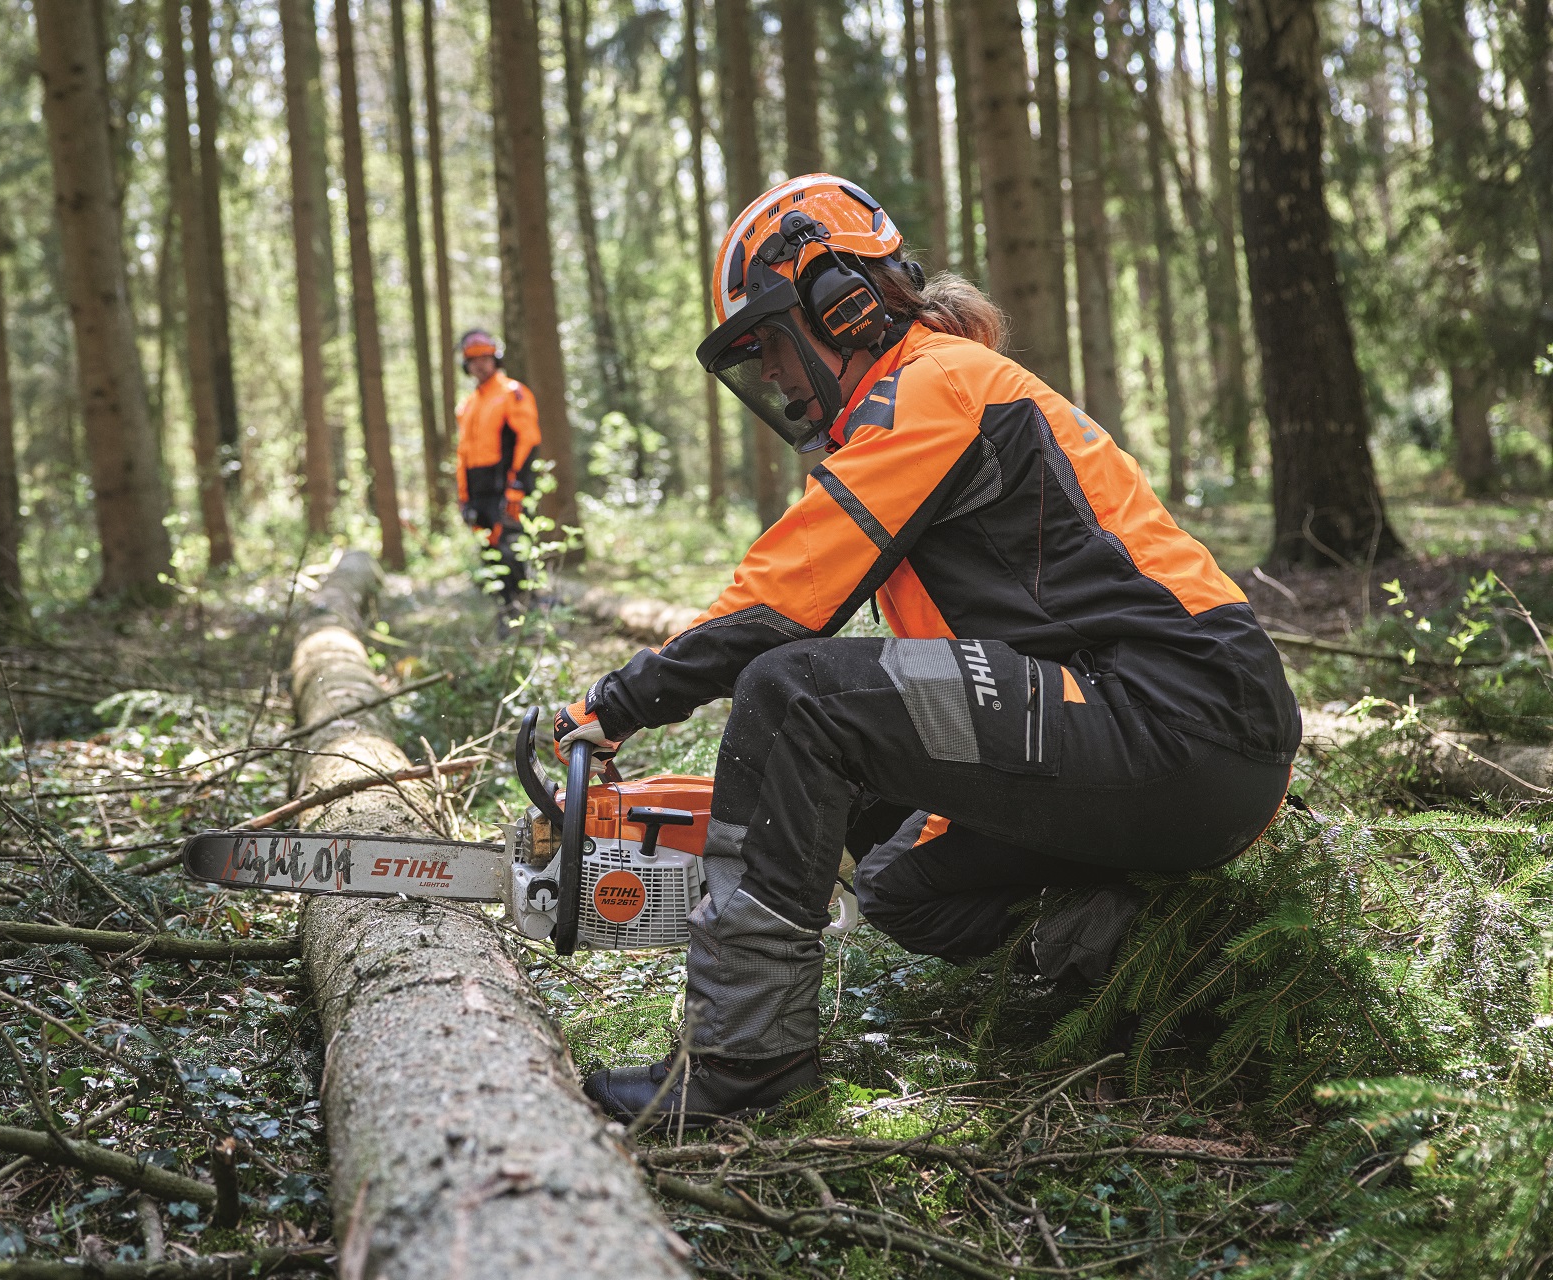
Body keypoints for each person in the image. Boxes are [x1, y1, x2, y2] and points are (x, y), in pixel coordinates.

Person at [551, 174, 1300, 1125]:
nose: (775, 379)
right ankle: (1172, 963)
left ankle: (745, 1063)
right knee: (902, 880)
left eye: (774, 346)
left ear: (841, 302)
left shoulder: (933, 384)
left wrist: (616, 702)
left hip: (1180, 709)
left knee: (797, 696)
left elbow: (785, 601)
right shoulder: (919, 404)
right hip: (1164, 738)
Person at [453, 330, 541, 608]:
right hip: (479, 493)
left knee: (513, 553)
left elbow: (528, 440)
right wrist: (464, 496)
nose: (480, 364)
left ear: (496, 359)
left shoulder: (511, 393)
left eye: (485, 358)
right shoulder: (468, 405)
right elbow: (463, 455)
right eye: (473, 360)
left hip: (506, 489)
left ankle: (530, 614)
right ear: (466, 365)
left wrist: (517, 486)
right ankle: (506, 616)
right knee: (490, 558)